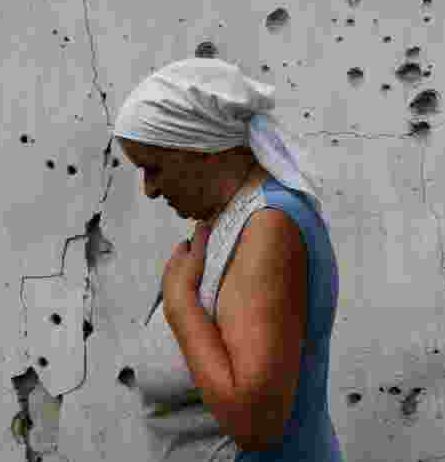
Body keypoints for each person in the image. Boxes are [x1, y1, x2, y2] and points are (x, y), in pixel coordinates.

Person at [112, 56, 342, 461]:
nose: (148, 190)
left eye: (154, 168)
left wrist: (181, 305)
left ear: (199, 150)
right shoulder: (228, 221)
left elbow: (255, 424)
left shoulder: (269, 225)